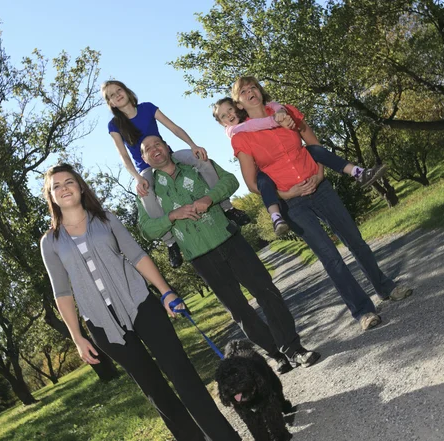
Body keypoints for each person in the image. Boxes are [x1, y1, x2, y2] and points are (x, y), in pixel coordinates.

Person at [40, 163, 242, 441]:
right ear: (50, 196)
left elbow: (136, 256)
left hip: (140, 303)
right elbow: (62, 292)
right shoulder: (50, 242)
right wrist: (77, 337)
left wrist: (166, 291)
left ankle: (225, 437)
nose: (64, 188)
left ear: (80, 186)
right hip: (102, 324)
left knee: (182, 374)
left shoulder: (106, 219)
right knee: (155, 389)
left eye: (69, 182)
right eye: (57, 186)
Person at [229, 76, 413, 331]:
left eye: (253, 88)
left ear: (260, 91)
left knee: (355, 241)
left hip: (320, 188)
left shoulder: (286, 111)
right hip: (293, 204)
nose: (251, 92)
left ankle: (386, 288)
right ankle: (363, 311)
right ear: (238, 103)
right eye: (244, 91)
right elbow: (252, 182)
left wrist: (319, 174)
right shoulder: (242, 137)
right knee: (331, 257)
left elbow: (313, 144)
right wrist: (287, 195)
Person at [137, 135, 320, 373]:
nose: (154, 150)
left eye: (157, 144)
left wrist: (209, 198)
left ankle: (294, 349)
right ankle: (276, 353)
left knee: (267, 292)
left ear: (167, 147)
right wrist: (172, 216)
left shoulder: (196, 163)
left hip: (230, 239)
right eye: (147, 149)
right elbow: (146, 230)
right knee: (239, 310)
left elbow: (230, 181)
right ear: (144, 158)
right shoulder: (147, 191)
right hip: (201, 256)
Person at [102, 80, 251, 269]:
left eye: (118, 90)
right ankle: (170, 243)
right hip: (145, 167)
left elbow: (174, 128)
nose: (117, 95)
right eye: (111, 96)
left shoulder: (147, 108)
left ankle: (228, 208)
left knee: (201, 160)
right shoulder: (114, 125)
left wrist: (193, 145)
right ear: (111, 103)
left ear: (126, 91)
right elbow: (123, 156)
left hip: (169, 154)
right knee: (146, 194)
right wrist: (137, 178)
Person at [213, 97, 387, 236]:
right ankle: (276, 217)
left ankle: (358, 172)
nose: (228, 115)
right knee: (264, 183)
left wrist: (279, 109)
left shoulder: (256, 115)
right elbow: (257, 125)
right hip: (267, 174)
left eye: (229, 109)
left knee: (315, 150)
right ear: (222, 124)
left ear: (237, 107)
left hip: (297, 167)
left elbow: (272, 105)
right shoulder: (236, 131)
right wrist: (277, 119)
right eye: (223, 116)